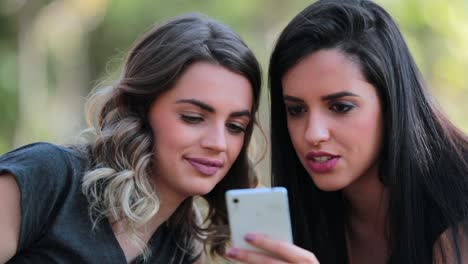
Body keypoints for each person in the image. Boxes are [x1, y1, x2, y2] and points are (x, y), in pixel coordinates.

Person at [0, 13, 262, 263]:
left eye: (235, 126)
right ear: (140, 108)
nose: (218, 143)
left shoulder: (182, 249)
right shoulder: (46, 177)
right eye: (193, 117)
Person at [226, 0, 468, 263]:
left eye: (340, 107)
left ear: (392, 103)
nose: (313, 134)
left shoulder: (458, 214)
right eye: (296, 110)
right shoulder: (306, 214)